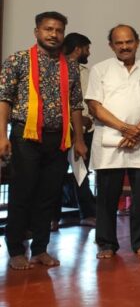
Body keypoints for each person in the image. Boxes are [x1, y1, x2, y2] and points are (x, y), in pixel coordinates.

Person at [0, 11, 88, 270]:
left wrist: (79, 139)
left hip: (58, 139)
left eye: (58, 30)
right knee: (22, 193)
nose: (54, 34)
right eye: (48, 29)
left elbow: (76, 106)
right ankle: (16, 250)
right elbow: (4, 99)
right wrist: (2, 136)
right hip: (25, 137)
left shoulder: (70, 67)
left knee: (49, 196)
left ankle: (40, 249)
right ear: (37, 32)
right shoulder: (18, 60)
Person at [86, 24, 140, 260]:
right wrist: (124, 128)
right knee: (107, 198)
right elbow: (94, 106)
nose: (124, 46)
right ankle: (106, 244)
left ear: (137, 43)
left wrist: (137, 130)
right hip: (110, 141)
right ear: (111, 46)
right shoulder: (100, 70)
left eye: (129, 41)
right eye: (119, 43)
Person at [51, 32, 97, 229]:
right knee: (55, 174)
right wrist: (76, 119)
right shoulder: (55, 68)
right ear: (78, 49)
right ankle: (52, 218)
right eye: (87, 48)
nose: (89, 52)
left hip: (84, 130)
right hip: (60, 129)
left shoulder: (86, 72)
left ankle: (87, 214)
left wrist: (89, 119)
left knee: (82, 173)